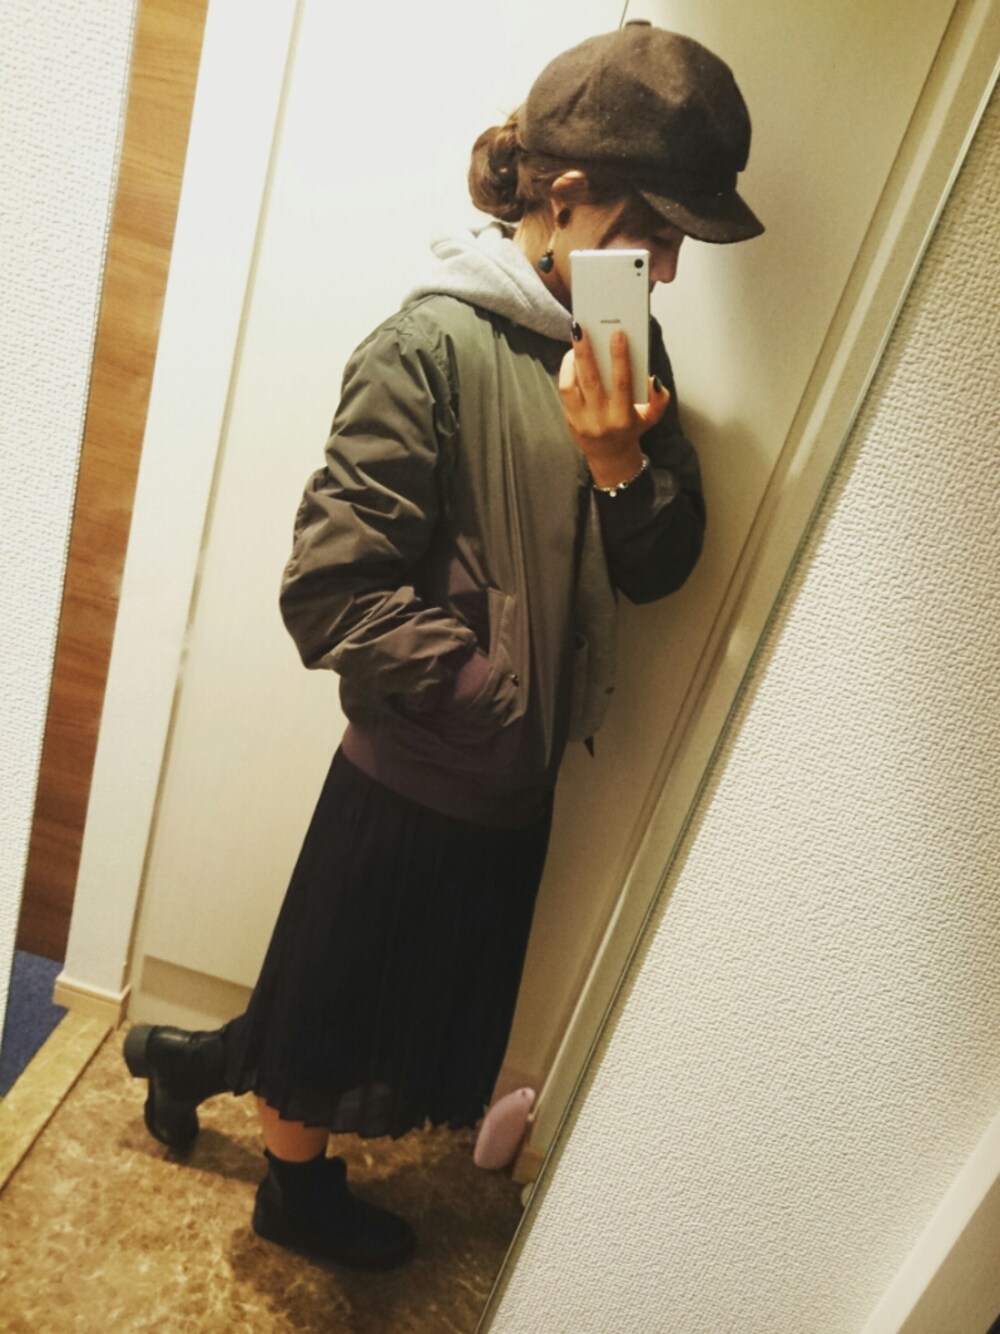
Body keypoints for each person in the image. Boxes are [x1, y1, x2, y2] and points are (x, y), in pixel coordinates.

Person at [123, 21, 763, 1270]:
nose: (670, 270)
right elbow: (330, 591)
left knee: (365, 998)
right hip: (419, 768)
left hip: (513, 779)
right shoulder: (426, 347)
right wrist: (494, 695)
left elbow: (662, 563)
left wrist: (617, 461)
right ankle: (291, 1195)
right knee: (337, 1008)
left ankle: (180, 1059)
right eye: (655, 231)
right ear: (563, 196)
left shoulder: (626, 350)